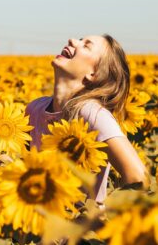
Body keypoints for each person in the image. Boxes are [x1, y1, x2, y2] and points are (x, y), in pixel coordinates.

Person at [26, 34, 148, 203]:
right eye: (79, 39)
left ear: (93, 74)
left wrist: (108, 218)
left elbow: (138, 177)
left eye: (86, 45)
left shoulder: (91, 113)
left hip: (81, 225)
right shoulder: (35, 109)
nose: (72, 41)